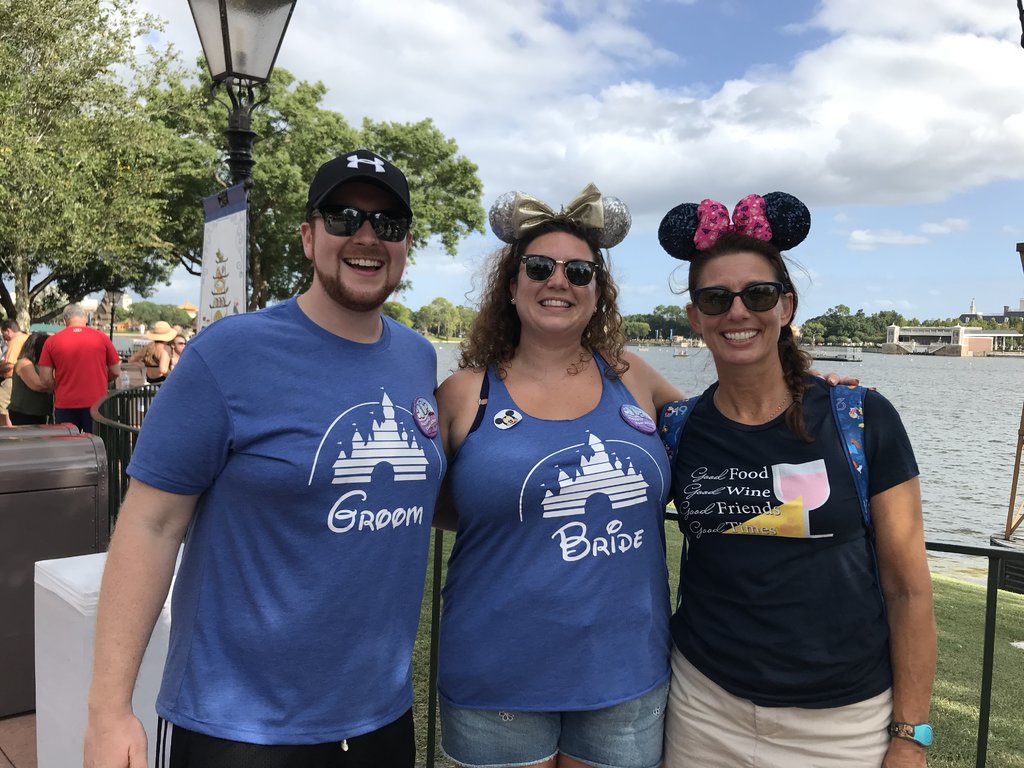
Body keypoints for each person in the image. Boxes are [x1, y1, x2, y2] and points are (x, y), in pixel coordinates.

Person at [84, 149, 446, 768]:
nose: (366, 236)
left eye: (387, 223)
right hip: (240, 724)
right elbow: (151, 524)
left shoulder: (418, 358)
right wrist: (108, 710)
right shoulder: (227, 355)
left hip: (378, 716)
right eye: (343, 218)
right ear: (308, 237)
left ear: (405, 245)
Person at [656, 193, 936, 768]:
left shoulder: (861, 418)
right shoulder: (679, 428)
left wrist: (910, 736)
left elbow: (908, 589)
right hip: (703, 709)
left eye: (758, 294)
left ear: (786, 305)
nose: (738, 313)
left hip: (843, 726)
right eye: (715, 298)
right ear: (695, 317)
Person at [434, 184, 685, 768]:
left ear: (598, 292)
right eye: (540, 267)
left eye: (579, 271)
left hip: (626, 673)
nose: (559, 281)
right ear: (511, 284)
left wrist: (807, 393)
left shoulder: (635, 377)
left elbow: (732, 431)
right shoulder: (464, 393)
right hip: (495, 676)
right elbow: (429, 501)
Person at [37, 304, 121, 433]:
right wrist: (102, 380)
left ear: (64, 320)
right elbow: (115, 371)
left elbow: (45, 379)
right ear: (85, 318)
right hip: (96, 403)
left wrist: (62, 385)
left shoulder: (52, 341)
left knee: (67, 443)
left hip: (65, 403)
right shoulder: (102, 338)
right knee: (96, 442)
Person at [9, 332, 54, 424]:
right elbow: (38, 385)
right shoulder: (24, 363)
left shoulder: (42, 365)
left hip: (40, 412)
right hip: (25, 413)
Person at [0, 319, 29, 426]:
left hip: (12, 379)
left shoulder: (15, 341)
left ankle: (6, 432)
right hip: (25, 380)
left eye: (3, 333)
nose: (4, 337)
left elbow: (10, 365)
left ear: (8, 331)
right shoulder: (26, 337)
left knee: (2, 406)